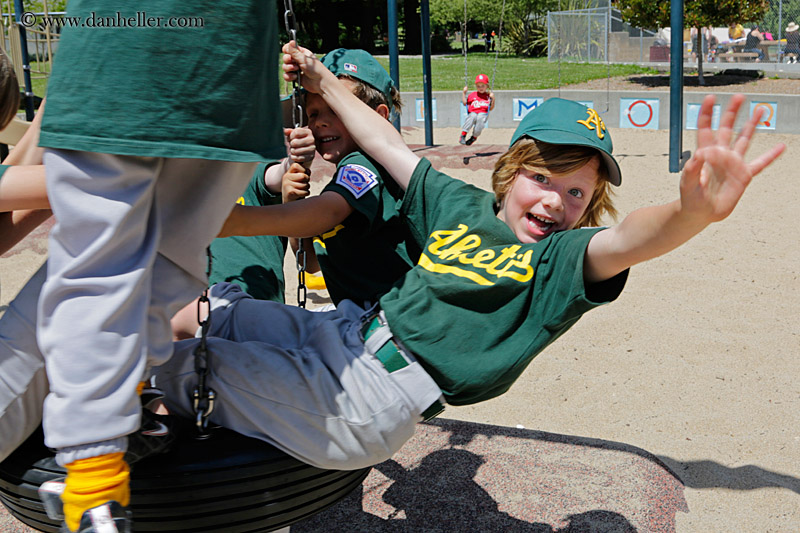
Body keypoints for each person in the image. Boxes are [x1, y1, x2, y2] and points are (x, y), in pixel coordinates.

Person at [150, 42, 785, 475]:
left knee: (179, 366)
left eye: (577, 193)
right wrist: (318, 80)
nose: (555, 200)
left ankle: (99, 420)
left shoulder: (561, 261)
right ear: (510, 175)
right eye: (543, 177)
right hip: (343, 333)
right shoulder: (456, 206)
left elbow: (632, 240)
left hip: (372, 400)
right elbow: (380, 138)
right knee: (218, 313)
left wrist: (691, 214)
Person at [35, 1, 285, 531]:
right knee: (142, 264)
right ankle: (105, 451)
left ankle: (104, 455)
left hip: (170, 58)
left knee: (136, 268)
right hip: (192, 53)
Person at [219, 48, 419, 306]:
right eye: (312, 114)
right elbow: (310, 262)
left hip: (399, 318)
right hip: (371, 315)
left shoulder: (367, 165)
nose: (320, 123)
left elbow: (328, 213)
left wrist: (236, 221)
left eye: (335, 109)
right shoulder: (346, 176)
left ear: (378, 116)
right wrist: (291, 201)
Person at [459, 74, 495, 146]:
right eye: (478, 86)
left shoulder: (488, 96)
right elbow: (465, 103)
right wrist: (464, 93)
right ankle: (463, 135)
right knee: (472, 115)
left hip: (483, 114)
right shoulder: (472, 95)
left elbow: (491, 108)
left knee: (480, 118)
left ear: (487, 86)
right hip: (473, 112)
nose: (480, 88)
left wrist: (493, 99)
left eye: (483, 86)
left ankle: (474, 137)